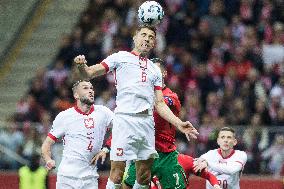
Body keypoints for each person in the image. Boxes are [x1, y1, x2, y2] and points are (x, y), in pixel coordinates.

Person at [74, 25, 199, 189]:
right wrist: (81, 66)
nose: (147, 39)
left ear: (154, 44)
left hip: (146, 123)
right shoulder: (120, 57)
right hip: (124, 120)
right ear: (135, 37)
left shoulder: (154, 70)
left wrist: (178, 123)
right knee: (117, 173)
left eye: (151, 37)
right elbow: (89, 73)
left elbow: (159, 103)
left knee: (144, 175)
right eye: (143, 35)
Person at [122, 58, 220, 189]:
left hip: (166, 155)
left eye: (155, 70)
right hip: (145, 152)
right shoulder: (141, 94)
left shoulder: (171, 97)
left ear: (164, 73)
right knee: (126, 185)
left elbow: (161, 104)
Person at [41, 80, 113, 189]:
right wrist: (48, 159)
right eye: (85, 88)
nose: (90, 91)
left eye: (91, 88)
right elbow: (46, 144)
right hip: (66, 178)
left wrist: (106, 149)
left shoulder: (104, 112)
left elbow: (121, 129)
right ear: (76, 95)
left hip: (90, 179)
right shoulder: (65, 116)